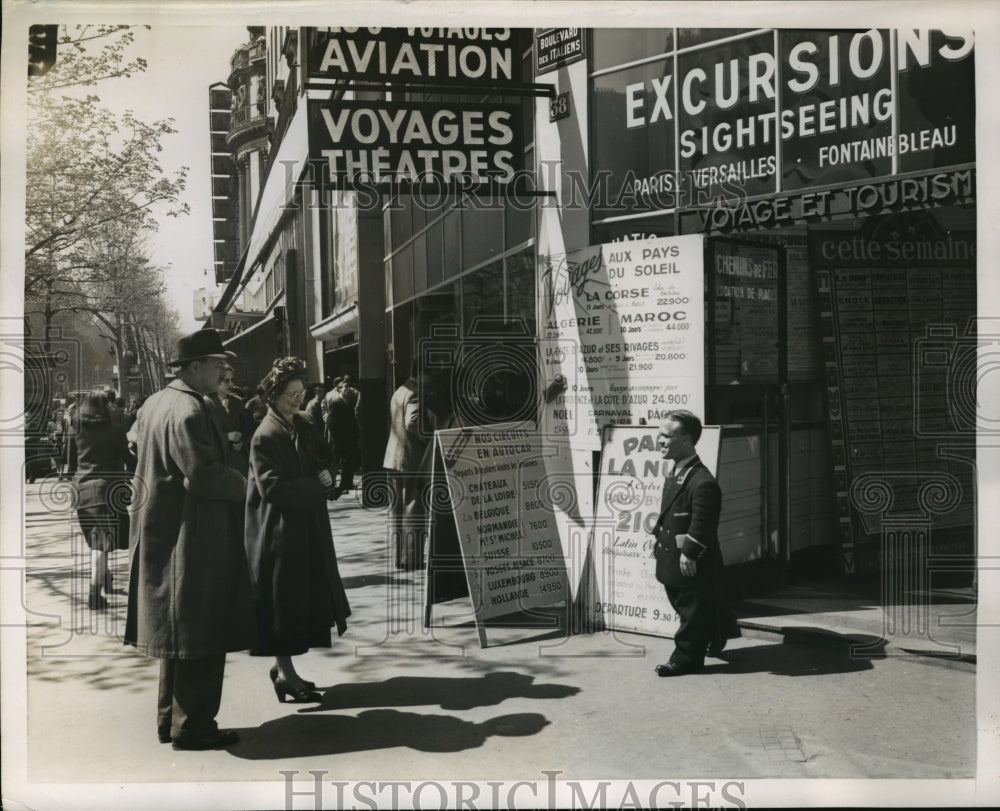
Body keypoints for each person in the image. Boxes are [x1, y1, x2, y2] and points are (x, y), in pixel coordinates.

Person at [124, 328, 254, 750]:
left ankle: (170, 720)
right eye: (218, 365)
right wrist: (244, 482)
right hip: (192, 538)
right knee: (199, 629)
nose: (223, 371)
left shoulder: (156, 403)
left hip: (164, 532)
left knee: (174, 633)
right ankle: (194, 726)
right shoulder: (190, 410)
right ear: (195, 367)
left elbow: (141, 449)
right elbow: (202, 476)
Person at [245, 357, 351, 703]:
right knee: (283, 606)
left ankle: (283, 670)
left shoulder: (305, 422)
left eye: (301, 393)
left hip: (306, 528)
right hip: (279, 532)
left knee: (297, 603)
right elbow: (272, 488)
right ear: (273, 396)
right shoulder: (265, 435)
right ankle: (286, 675)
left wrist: (328, 473)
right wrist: (315, 485)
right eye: (291, 394)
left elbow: (326, 455)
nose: (298, 399)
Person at [650, 410, 739, 677]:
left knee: (691, 609)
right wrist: (657, 535)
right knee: (686, 602)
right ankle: (719, 629)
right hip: (671, 554)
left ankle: (685, 658)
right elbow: (670, 511)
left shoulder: (702, 482)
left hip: (689, 559)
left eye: (667, 436)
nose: (660, 441)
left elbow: (703, 522)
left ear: (687, 441)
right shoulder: (678, 471)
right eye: (659, 435)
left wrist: (690, 553)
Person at [66, 392, 133, 609]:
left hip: (82, 491)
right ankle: (94, 594)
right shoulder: (116, 430)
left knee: (98, 542)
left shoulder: (75, 428)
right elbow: (128, 458)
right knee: (100, 545)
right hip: (106, 492)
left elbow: (70, 463)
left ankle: (106, 577)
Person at [383, 358, 431, 569]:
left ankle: (399, 558)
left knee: (397, 511)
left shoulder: (400, 390)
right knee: (414, 508)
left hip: (394, 459)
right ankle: (411, 558)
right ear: (422, 373)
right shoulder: (416, 391)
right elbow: (414, 421)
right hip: (411, 459)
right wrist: (432, 437)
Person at [205, 363, 249, 477]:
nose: (231, 384)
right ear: (216, 381)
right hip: (220, 464)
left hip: (240, 463)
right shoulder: (205, 404)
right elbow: (204, 436)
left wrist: (242, 443)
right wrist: (226, 437)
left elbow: (249, 430)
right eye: (226, 380)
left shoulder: (238, 403)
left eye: (232, 380)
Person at [324, 379, 360, 499]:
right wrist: (336, 435)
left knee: (346, 460)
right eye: (344, 388)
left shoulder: (347, 403)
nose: (347, 390)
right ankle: (337, 484)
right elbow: (330, 421)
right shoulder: (337, 403)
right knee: (339, 460)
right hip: (341, 438)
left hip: (346, 438)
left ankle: (346, 483)